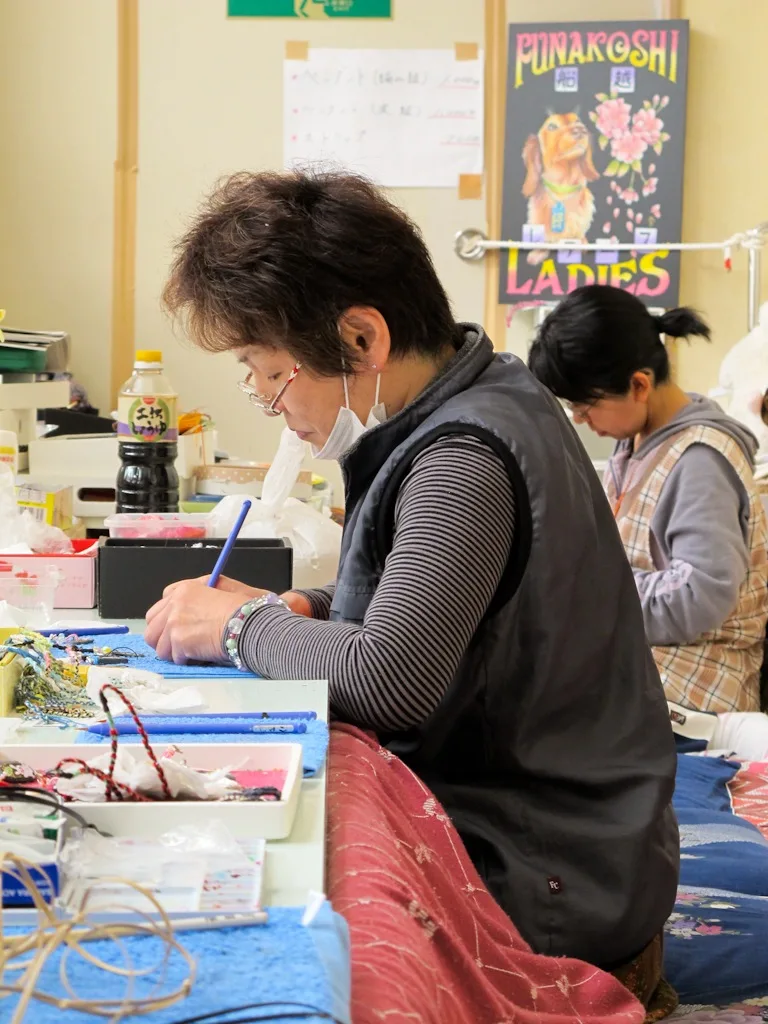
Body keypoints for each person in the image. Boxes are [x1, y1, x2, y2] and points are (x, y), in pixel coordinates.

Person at [145, 170, 678, 1006]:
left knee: (281, 880)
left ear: (361, 339)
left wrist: (241, 624)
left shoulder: (460, 458)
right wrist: (316, 609)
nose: (271, 405)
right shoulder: (482, 394)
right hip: (576, 831)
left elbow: (390, 679)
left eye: (270, 374)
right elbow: (472, 607)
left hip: (555, 868)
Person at [528, 285, 768, 743]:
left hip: (694, 687)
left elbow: (701, 594)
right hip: (643, 657)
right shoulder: (634, 442)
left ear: (639, 384)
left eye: (585, 404)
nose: (580, 418)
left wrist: (591, 591)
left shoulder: (700, 461)